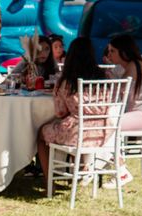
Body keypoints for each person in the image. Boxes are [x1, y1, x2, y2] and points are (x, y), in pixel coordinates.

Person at [36, 37, 109, 179]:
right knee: (65, 127)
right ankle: (81, 170)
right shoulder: (105, 76)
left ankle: (47, 181)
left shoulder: (66, 81)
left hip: (77, 134)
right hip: (103, 132)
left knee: (41, 133)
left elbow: (60, 112)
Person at [104, 34, 142, 188]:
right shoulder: (130, 65)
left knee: (106, 125)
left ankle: (121, 171)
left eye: (112, 51)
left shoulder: (134, 66)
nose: (109, 55)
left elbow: (115, 93)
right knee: (104, 123)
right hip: (141, 114)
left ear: (123, 51)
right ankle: (105, 165)